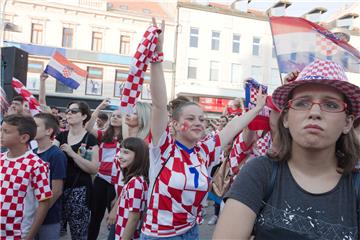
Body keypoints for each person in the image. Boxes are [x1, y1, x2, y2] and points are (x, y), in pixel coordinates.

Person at [140, 18, 267, 239]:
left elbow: (235, 125)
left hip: (191, 232)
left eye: (201, 118)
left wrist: (256, 109)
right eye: (191, 118)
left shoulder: (205, 149)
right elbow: (159, 104)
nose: (199, 122)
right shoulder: (164, 147)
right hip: (158, 236)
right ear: (176, 125)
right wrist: (157, 59)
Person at [213, 59, 360, 239]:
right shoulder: (259, 173)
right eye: (302, 103)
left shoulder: (356, 186)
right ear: (285, 119)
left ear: (348, 123)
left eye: (330, 105)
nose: (315, 112)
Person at [0, 114, 52, 239]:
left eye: (6, 131)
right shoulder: (1, 159)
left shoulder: (36, 165)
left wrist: (29, 236)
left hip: (18, 234)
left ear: (23, 138)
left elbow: (44, 202)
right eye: (1, 129)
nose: (1, 134)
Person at [54, 101, 99, 240]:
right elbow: (51, 160)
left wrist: (72, 154)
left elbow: (94, 168)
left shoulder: (90, 139)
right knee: (54, 232)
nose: (69, 114)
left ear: (84, 116)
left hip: (80, 192)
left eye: (74, 111)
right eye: (68, 111)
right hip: (59, 190)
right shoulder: (60, 136)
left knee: (79, 235)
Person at [86, 99, 123, 240]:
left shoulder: (129, 136)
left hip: (117, 182)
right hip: (101, 179)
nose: (114, 117)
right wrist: (100, 107)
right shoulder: (103, 135)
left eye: (119, 116)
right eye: (113, 115)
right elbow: (89, 127)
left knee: (114, 218)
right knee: (95, 216)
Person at [32, 113, 67, 240]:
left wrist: (40, 212)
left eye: (35, 125)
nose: (31, 128)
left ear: (48, 131)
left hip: (49, 217)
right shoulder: (32, 153)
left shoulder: (56, 155)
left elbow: (57, 190)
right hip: (31, 214)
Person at [107, 137, 149, 240]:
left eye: (126, 152)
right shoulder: (134, 179)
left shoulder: (136, 183)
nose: (120, 156)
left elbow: (134, 219)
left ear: (139, 156)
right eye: (120, 152)